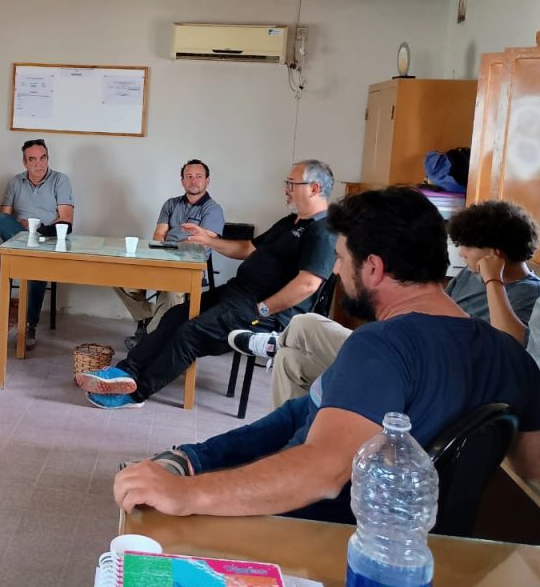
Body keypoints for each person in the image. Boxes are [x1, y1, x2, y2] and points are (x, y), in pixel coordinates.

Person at [113, 187, 540, 522]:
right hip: (412, 547)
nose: (335, 270)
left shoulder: (381, 347)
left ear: (373, 268)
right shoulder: (510, 353)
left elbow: (321, 471)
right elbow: (532, 467)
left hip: (314, 533)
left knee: (144, 528)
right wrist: (195, 457)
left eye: (340, 259)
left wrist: (187, 494)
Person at [229, 198, 540, 408]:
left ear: (495, 253)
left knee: (301, 339)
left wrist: (494, 281)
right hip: (410, 348)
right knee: (295, 348)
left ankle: (274, 344)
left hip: (429, 371)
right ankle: (293, 439)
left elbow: (512, 348)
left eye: (468, 247)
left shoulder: (528, 293)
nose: (462, 254)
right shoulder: (470, 276)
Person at [76, 160, 337, 410]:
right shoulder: (290, 222)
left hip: (262, 312)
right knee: (176, 315)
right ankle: (126, 371)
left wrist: (263, 309)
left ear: (314, 188)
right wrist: (208, 239)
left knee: (189, 334)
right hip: (237, 293)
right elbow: (247, 248)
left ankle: (136, 394)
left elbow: (308, 284)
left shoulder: (323, 230)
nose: (286, 189)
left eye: (292, 183)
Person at [115, 160, 225, 349]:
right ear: (182, 181)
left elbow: (201, 242)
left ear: (207, 181)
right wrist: (165, 249)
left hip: (190, 267)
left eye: (199, 176)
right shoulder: (171, 204)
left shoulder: (213, 209)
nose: (193, 181)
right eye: (189, 176)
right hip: (162, 259)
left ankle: (149, 340)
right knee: (120, 277)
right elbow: (159, 234)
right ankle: (151, 318)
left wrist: (170, 247)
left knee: (172, 291)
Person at [0, 138, 74, 349]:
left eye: (43, 158)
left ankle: (29, 324)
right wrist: (23, 226)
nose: (39, 164)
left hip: (48, 238)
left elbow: (66, 219)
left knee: (36, 261)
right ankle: (30, 252)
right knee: (0, 220)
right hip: (21, 238)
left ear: (48, 158)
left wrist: (38, 230)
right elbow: (4, 217)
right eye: (33, 159)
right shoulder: (15, 181)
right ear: (24, 162)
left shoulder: (60, 180)